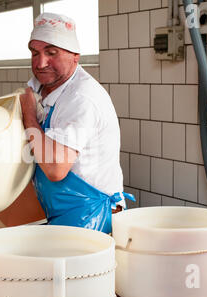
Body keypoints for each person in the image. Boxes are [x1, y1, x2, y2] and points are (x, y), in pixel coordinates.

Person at [20, 12, 133, 234]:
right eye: (35, 53)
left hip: (91, 217)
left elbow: (55, 169)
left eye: (51, 53)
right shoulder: (42, 89)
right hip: (63, 212)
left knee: (83, 270)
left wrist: (29, 117)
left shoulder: (81, 98)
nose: (41, 63)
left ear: (75, 55)